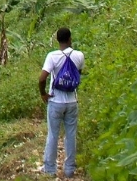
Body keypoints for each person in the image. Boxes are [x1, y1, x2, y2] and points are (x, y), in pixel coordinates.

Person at [38, 27, 85, 178]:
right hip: (72, 102)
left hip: (55, 101)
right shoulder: (79, 55)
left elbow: (42, 78)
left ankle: (50, 169)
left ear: (57, 40)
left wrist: (43, 94)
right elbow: (78, 75)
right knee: (71, 134)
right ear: (70, 38)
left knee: (53, 134)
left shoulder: (52, 56)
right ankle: (69, 169)